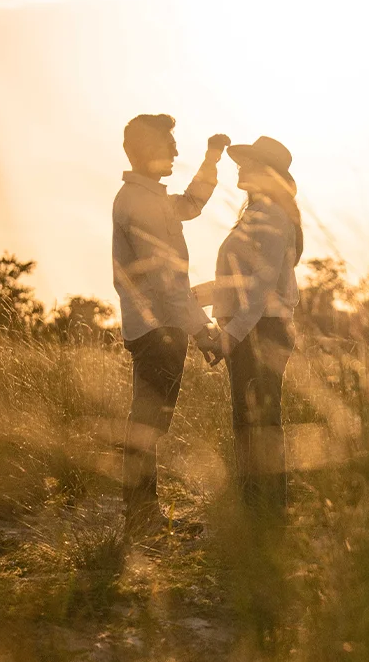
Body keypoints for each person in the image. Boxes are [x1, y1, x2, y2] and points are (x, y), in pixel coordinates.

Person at [112, 113, 228, 534]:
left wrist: (212, 158)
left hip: (162, 326)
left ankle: (143, 517)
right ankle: (141, 522)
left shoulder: (152, 199)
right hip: (157, 328)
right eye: (169, 143)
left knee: (150, 425)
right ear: (147, 150)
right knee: (146, 427)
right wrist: (204, 332)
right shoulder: (139, 203)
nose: (176, 150)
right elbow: (167, 284)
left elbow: (192, 205)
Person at [212, 136, 302, 517]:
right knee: (250, 422)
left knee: (259, 422)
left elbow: (260, 290)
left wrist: (228, 337)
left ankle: (265, 511)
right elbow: (237, 284)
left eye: (248, 162)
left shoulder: (270, 217)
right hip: (252, 327)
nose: (240, 167)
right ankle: (258, 508)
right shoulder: (256, 215)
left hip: (259, 330)